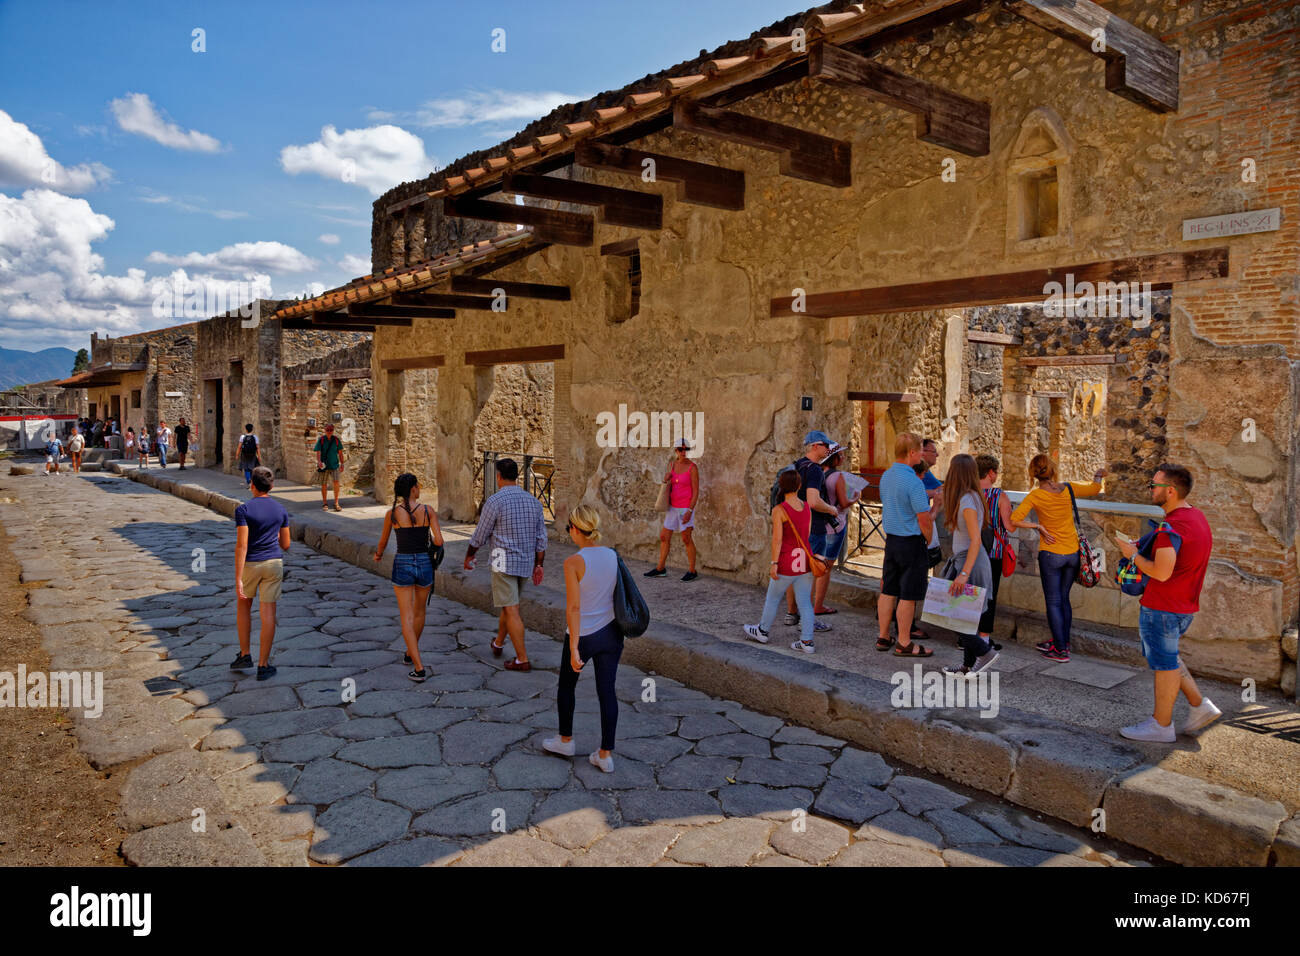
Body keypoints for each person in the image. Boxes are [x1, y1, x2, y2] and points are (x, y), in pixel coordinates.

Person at [1118, 464, 1220, 742]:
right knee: (1170, 658)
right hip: (1183, 606)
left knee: (1165, 666)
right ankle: (1200, 706)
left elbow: (1161, 572)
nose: (1150, 490)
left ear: (1171, 491)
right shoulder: (1196, 517)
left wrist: (1131, 554)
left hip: (1162, 607)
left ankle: (1161, 726)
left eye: (1154, 485)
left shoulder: (1170, 528)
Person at [543, 505, 623, 772]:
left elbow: (574, 607)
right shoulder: (612, 555)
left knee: (567, 685)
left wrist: (575, 645)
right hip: (611, 633)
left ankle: (565, 740)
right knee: (607, 692)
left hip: (585, 634)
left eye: (569, 528)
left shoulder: (573, 562)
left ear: (576, 529)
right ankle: (605, 754)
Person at [1009, 454, 1108, 663]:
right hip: (1072, 553)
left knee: (1053, 602)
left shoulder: (1035, 496)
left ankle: (1060, 650)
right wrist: (1098, 476)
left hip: (1051, 554)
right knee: (1064, 599)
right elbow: (1094, 489)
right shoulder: (1068, 488)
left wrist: (1037, 526)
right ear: (1052, 469)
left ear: (1033, 474)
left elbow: (1014, 519)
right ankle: (1062, 642)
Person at [465, 458, 548, 672]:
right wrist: (540, 564)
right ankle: (498, 643)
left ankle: (522, 659)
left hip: (502, 561)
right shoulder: (534, 502)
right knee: (509, 605)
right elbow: (541, 539)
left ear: (499, 476)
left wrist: (469, 555)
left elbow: (480, 534)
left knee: (511, 609)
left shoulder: (495, 501)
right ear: (517, 476)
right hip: (526, 561)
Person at [373, 473, 443, 682]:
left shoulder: (392, 514)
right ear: (413, 489)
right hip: (424, 563)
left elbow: (383, 542)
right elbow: (438, 540)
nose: (420, 488)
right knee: (420, 612)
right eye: (418, 486)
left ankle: (419, 667)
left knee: (406, 616)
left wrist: (377, 555)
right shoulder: (428, 511)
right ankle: (410, 653)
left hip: (402, 563)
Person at [974, 454, 1043, 651]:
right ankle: (984, 639)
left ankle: (966, 637)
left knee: (972, 592)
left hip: (971, 549)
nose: (996, 475)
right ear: (990, 473)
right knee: (989, 594)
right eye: (996, 471)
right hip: (993, 551)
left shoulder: (969, 493)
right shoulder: (999, 496)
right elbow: (1009, 526)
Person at [744, 467, 817, 653]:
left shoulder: (779, 510)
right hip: (805, 563)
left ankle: (762, 630)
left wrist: (774, 563)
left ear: (781, 486)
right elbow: (807, 535)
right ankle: (807, 642)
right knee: (805, 603)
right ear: (799, 486)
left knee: (773, 598)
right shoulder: (807, 507)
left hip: (786, 562)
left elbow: (777, 540)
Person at [875, 433, 934, 657]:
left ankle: (883, 636)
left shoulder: (886, 476)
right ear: (911, 453)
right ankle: (904, 642)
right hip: (910, 542)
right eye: (920, 450)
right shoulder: (913, 481)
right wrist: (928, 540)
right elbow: (924, 518)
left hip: (892, 540)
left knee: (888, 590)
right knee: (908, 595)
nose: (922, 454)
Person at [939, 454, 998, 676]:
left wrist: (963, 573)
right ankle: (966, 666)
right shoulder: (971, 496)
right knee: (966, 617)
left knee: (952, 614)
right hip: (968, 561)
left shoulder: (967, 501)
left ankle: (985, 653)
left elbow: (975, 539)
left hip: (970, 563)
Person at [232, 466, 291, 681]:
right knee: (268, 615)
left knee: (244, 606)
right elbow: (286, 544)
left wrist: (238, 577)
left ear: (252, 486)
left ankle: (245, 654)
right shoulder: (281, 510)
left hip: (251, 564)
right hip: (274, 563)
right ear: (272, 486)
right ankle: (263, 665)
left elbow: (242, 545)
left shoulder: (243, 510)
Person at [783, 430, 840, 633]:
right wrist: (831, 509)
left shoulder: (797, 465)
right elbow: (814, 501)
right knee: (809, 575)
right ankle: (808, 620)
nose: (828, 449)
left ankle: (791, 614)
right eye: (825, 446)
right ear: (815, 446)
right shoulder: (815, 470)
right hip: (812, 529)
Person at [644, 438, 700, 581]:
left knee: (686, 538)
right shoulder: (671, 465)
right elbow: (667, 486)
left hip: (685, 508)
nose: (684, 452)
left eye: (686, 449)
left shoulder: (693, 468)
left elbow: (696, 492)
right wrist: (665, 479)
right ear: (675, 450)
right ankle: (660, 568)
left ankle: (692, 571)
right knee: (664, 536)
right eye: (681, 449)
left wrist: (689, 511)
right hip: (672, 508)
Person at [810, 442, 855, 615]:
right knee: (825, 568)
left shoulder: (818, 473)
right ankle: (818, 606)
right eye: (841, 455)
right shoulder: (838, 477)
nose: (843, 457)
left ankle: (805, 604)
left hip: (818, 525)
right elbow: (843, 503)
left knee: (814, 566)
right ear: (833, 458)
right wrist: (856, 498)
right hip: (835, 526)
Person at [314, 423, 345, 512]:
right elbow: (318, 452)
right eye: (328, 430)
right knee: (324, 484)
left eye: (331, 430)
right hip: (325, 466)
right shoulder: (322, 440)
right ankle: (325, 503)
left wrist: (342, 464)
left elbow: (340, 453)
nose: (329, 432)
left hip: (334, 465)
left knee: (336, 483)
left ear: (333, 430)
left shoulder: (336, 440)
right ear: (325, 430)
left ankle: (336, 503)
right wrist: (319, 461)